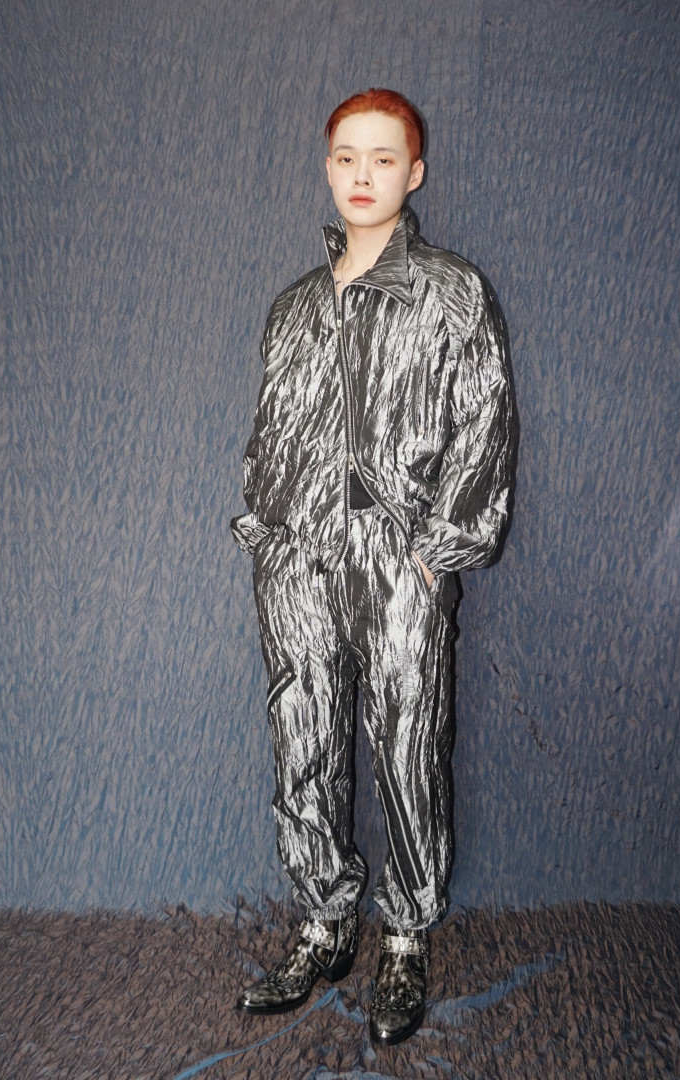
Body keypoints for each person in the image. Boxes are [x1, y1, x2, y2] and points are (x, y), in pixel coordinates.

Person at [230, 88, 513, 1047]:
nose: (363, 174)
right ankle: (323, 922)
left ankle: (403, 934)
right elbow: (270, 429)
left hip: (398, 565)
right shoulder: (294, 309)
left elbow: (484, 424)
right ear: (327, 168)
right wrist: (270, 532)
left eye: (384, 158)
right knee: (302, 742)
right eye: (347, 157)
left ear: (414, 172)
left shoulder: (451, 292)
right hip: (298, 564)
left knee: (408, 745)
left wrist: (437, 550)